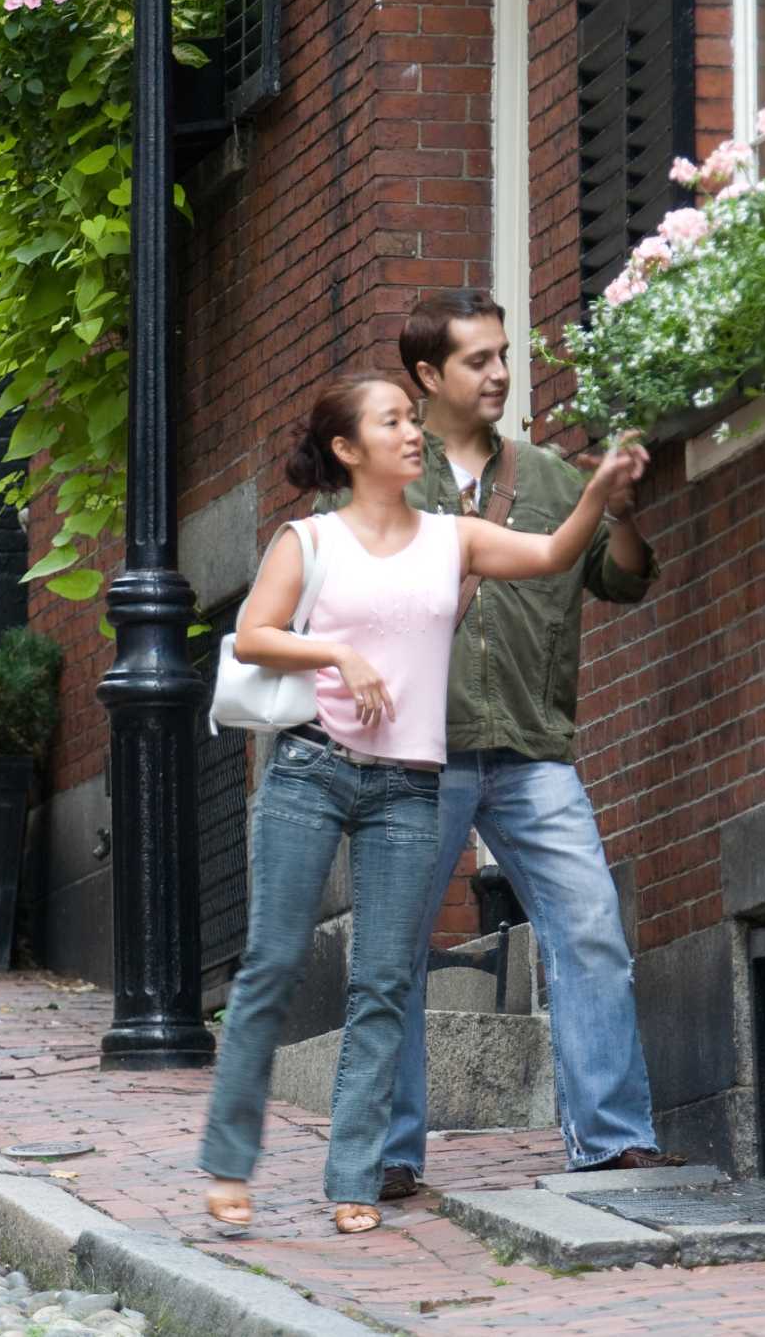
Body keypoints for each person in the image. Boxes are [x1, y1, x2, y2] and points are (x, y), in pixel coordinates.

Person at [199, 371, 644, 1235]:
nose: (414, 434)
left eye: (413, 420)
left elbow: (553, 558)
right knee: (272, 965)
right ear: (346, 448)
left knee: (382, 983)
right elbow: (255, 633)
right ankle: (228, 1161)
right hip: (312, 773)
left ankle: (355, 1180)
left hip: (409, 784)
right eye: (393, 422)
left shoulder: (453, 537)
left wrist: (595, 494)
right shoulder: (311, 540)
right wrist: (338, 654)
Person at [376, 290, 676, 1200]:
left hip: (534, 745)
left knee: (589, 928)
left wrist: (618, 508)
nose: (501, 373)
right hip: (420, 752)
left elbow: (622, 582)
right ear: (428, 377)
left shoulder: (550, 477)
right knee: (393, 951)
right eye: (479, 360)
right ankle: (388, 1151)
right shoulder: (380, 475)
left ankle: (612, 1137)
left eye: (504, 354)